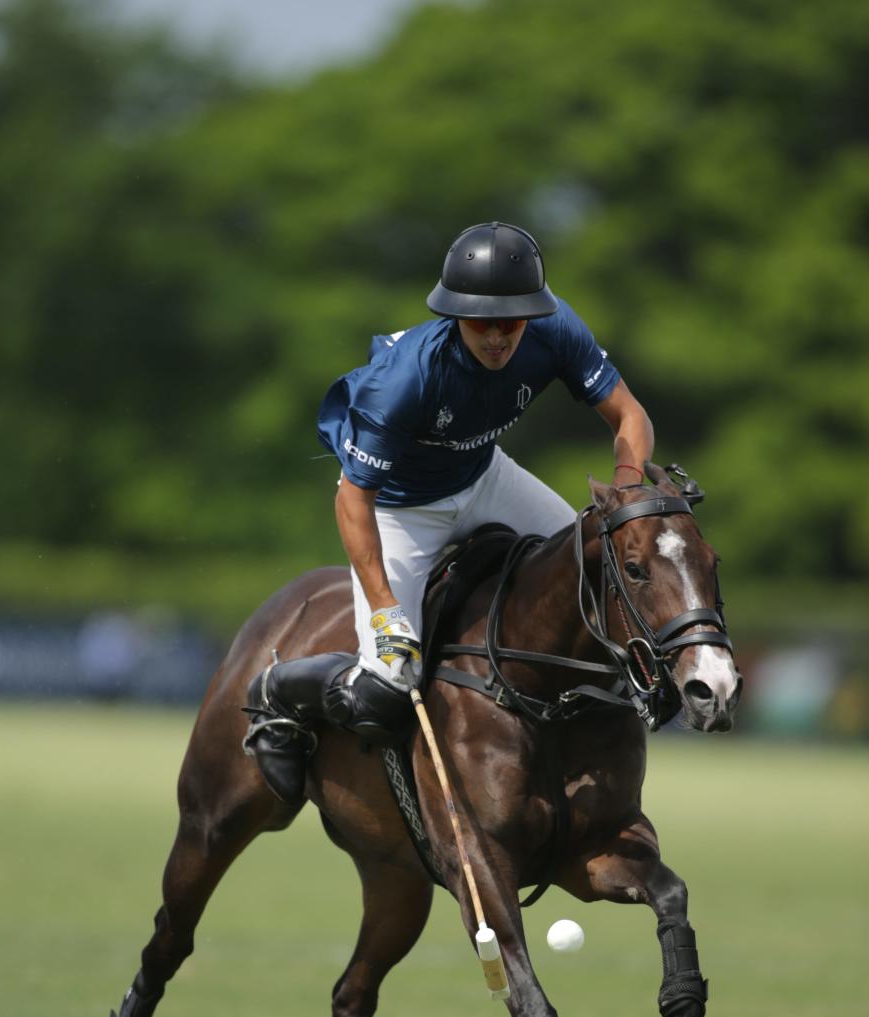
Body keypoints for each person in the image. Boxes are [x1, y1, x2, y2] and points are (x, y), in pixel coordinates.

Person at [244, 220, 654, 805]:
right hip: (399, 508)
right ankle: (280, 691)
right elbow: (352, 498)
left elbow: (629, 417)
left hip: (485, 475)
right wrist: (386, 611)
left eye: (510, 322)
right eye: (481, 322)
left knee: (595, 574)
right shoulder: (404, 379)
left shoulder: (554, 329)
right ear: (454, 314)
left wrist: (628, 497)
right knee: (388, 681)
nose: (497, 337)